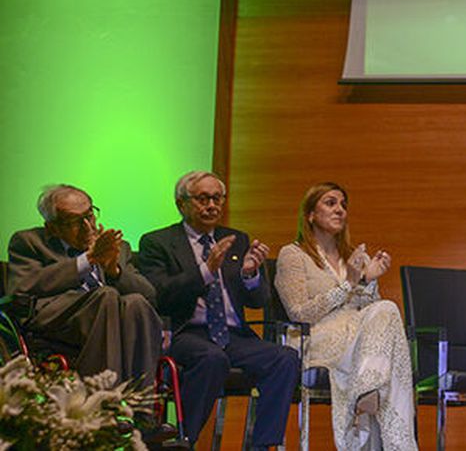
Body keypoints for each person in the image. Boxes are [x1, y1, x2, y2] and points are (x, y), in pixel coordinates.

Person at [137, 170, 299, 450]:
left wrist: (250, 274)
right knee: (212, 359)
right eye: (203, 199)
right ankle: (184, 440)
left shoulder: (236, 239)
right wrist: (206, 270)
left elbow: (258, 301)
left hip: (233, 335)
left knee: (284, 358)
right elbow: (160, 295)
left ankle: (262, 445)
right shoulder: (157, 242)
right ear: (181, 204)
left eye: (217, 198)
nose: (212, 205)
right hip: (187, 332)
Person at [274, 182, 415, 451]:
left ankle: (368, 389)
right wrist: (349, 284)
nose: (340, 210)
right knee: (388, 352)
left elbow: (373, 316)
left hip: (356, 340)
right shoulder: (293, 254)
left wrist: (367, 281)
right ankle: (379, 411)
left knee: (386, 308)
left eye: (343, 205)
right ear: (310, 215)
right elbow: (299, 313)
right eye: (331, 203)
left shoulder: (354, 257)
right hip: (314, 339)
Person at [5, 184, 161, 384]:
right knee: (106, 296)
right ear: (52, 227)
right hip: (58, 321)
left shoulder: (116, 247)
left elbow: (149, 295)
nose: (88, 226)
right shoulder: (29, 242)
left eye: (90, 215)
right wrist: (87, 260)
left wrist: (113, 270)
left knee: (136, 303)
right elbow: (23, 286)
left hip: (111, 317)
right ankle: (102, 395)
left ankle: (141, 399)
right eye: (75, 221)